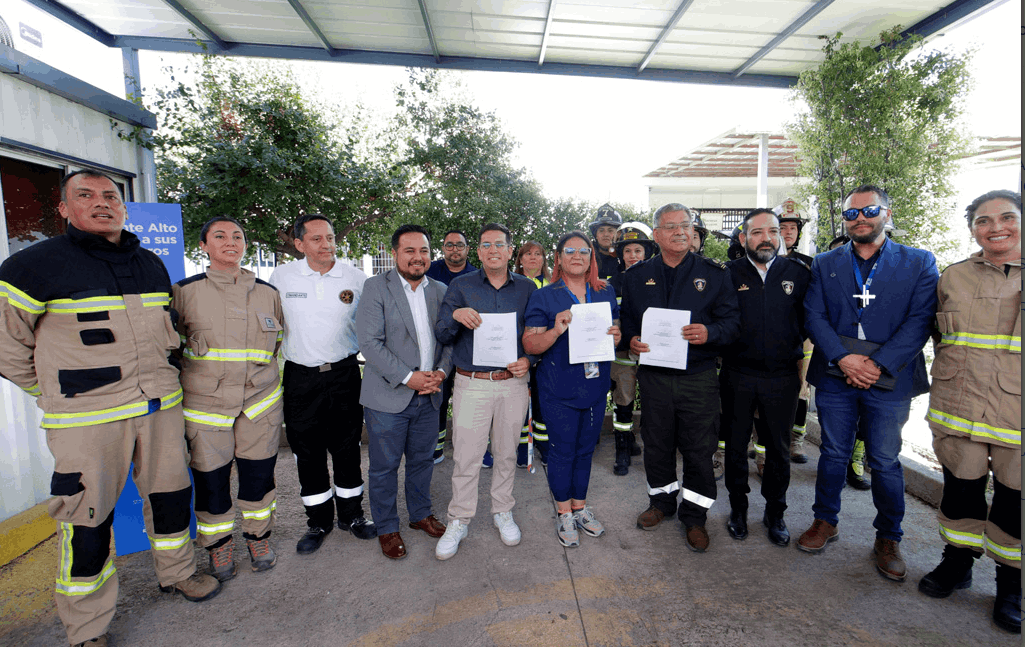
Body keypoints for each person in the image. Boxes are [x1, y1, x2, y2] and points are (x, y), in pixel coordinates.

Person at [0, 170, 219, 647]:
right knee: (87, 516)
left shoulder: (149, 264)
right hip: (86, 418)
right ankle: (87, 626)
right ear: (63, 209)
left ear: (123, 206)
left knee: (169, 497)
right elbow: (7, 345)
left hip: (160, 405)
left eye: (110, 196)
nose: (101, 203)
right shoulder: (32, 267)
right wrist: (53, 390)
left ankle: (177, 572)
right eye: (85, 195)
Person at [797, 184, 938, 584]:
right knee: (834, 452)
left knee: (885, 460)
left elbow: (920, 321)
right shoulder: (825, 263)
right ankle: (825, 521)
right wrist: (843, 359)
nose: (860, 218)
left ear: (887, 214)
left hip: (889, 377)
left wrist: (877, 365)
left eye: (869, 210)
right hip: (836, 373)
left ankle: (888, 538)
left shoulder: (919, 262)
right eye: (851, 213)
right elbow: (814, 315)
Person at [918, 190, 1021, 633]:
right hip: (959, 406)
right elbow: (940, 337)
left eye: (1007, 217)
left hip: (1017, 413)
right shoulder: (953, 277)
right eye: (983, 221)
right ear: (972, 228)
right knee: (961, 492)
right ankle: (957, 563)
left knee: (1015, 503)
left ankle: (1011, 585)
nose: (995, 227)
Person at [619, 203, 740, 553]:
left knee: (699, 449)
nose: (680, 232)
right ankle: (661, 503)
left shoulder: (715, 274)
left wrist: (711, 332)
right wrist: (631, 340)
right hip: (655, 376)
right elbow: (628, 321)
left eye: (686, 226)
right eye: (671, 227)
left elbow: (732, 324)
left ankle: (695, 516)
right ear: (656, 235)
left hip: (697, 376)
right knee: (657, 444)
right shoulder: (637, 275)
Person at [173, 217, 284, 581]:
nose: (230, 242)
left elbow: (276, 344)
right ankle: (218, 547)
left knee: (259, 477)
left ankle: (258, 538)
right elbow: (170, 348)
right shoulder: (184, 292)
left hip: (259, 405)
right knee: (211, 482)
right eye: (219, 236)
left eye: (237, 236)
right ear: (203, 245)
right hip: (207, 408)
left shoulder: (267, 293)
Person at [270, 214, 375, 555]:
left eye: (330, 237)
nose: (326, 244)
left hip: (344, 373)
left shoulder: (355, 278)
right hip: (301, 377)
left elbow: (371, 325)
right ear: (299, 244)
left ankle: (352, 516)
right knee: (308, 452)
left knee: (347, 448)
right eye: (316, 239)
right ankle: (318, 522)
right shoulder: (282, 277)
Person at [433, 223, 536, 560]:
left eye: (500, 244)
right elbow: (443, 333)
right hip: (471, 383)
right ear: (478, 251)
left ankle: (502, 511)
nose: (493, 250)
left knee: (506, 453)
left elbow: (535, 332)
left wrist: (529, 359)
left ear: (510, 251)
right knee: (466, 457)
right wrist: (456, 315)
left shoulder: (526, 287)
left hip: (512, 384)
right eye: (486, 244)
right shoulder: (460, 286)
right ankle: (459, 519)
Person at [357, 224, 453, 560]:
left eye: (424, 250)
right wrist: (408, 377)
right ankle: (387, 527)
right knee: (384, 467)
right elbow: (369, 342)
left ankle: (419, 515)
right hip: (388, 396)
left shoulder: (440, 289)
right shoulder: (375, 287)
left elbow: (449, 340)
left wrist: (441, 372)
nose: (418, 257)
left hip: (430, 394)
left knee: (422, 461)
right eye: (409, 250)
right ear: (395, 253)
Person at [523, 231, 621, 546]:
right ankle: (564, 511)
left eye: (583, 251)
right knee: (562, 452)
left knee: (585, 451)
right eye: (570, 251)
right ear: (559, 258)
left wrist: (616, 336)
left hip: (594, 387)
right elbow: (530, 343)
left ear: (592, 257)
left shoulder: (605, 292)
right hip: (558, 388)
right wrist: (555, 329)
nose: (576, 256)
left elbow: (615, 330)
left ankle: (580, 507)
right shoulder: (545, 296)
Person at [720, 209, 810, 547]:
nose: (767, 238)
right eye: (757, 232)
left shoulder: (798, 274)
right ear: (744, 238)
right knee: (735, 447)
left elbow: (810, 322)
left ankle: (776, 512)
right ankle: (738, 509)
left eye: (773, 231)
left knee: (778, 450)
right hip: (737, 374)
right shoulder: (727, 274)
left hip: (782, 377)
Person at [607, 222, 658, 475]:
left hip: (652, 354)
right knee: (623, 402)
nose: (633, 255)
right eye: (628, 251)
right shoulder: (611, 284)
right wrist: (627, 341)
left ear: (646, 252)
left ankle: (647, 448)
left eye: (638, 250)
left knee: (652, 403)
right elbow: (612, 320)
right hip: (623, 355)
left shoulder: (657, 279)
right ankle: (622, 450)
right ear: (620, 254)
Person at [425, 230, 477, 465]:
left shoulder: (477, 275)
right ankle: (435, 448)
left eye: (459, 245)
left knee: (471, 402)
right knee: (439, 398)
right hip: (438, 344)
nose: (454, 249)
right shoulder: (430, 271)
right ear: (443, 248)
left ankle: (473, 450)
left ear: (467, 249)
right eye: (449, 245)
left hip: (470, 346)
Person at [514, 241, 552, 466]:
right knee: (519, 403)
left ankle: (544, 445)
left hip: (546, 353)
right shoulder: (511, 284)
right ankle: (521, 447)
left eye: (538, 254)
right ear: (520, 259)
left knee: (542, 403)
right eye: (527, 254)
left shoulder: (553, 284)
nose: (533, 258)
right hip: (518, 352)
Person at [589, 203, 623, 280]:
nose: (605, 234)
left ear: (618, 234)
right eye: (601, 230)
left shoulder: (625, 257)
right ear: (596, 235)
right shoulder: (586, 256)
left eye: (610, 230)